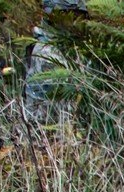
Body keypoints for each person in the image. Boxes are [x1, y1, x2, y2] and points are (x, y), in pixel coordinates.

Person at [23, 0, 87, 132]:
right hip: (50, 135)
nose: (74, 23)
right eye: (68, 16)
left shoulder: (68, 47)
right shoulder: (46, 53)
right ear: (52, 18)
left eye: (78, 17)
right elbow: (56, 110)